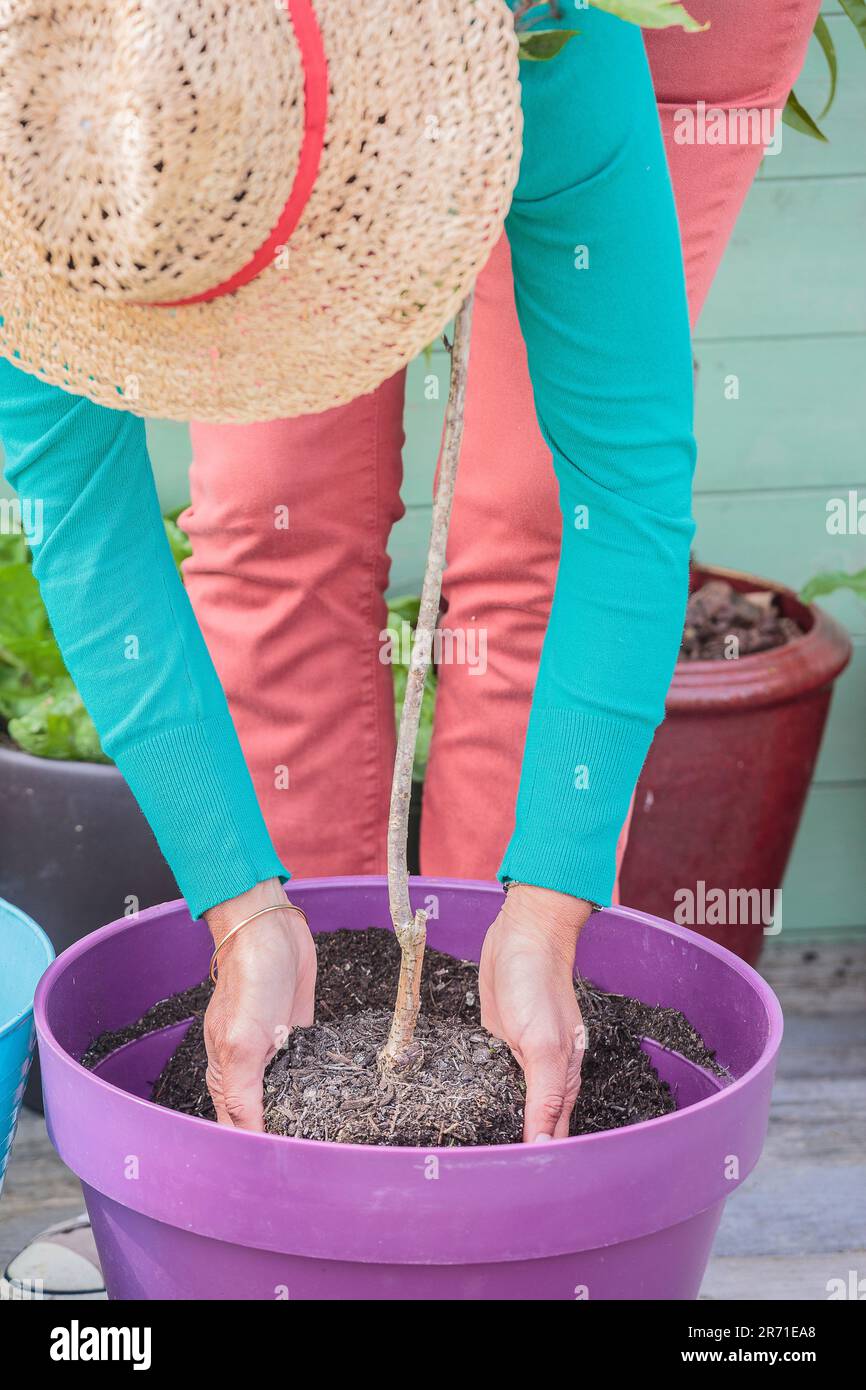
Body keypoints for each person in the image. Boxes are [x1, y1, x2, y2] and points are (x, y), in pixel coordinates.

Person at [0, 0, 819, 1177]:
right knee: (269, 512)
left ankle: (509, 1072)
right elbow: (84, 527)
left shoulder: (550, 47)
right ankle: (314, 1005)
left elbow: (621, 494)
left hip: (596, 48)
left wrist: (543, 909)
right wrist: (242, 909)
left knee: (531, 517)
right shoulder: (43, 139)